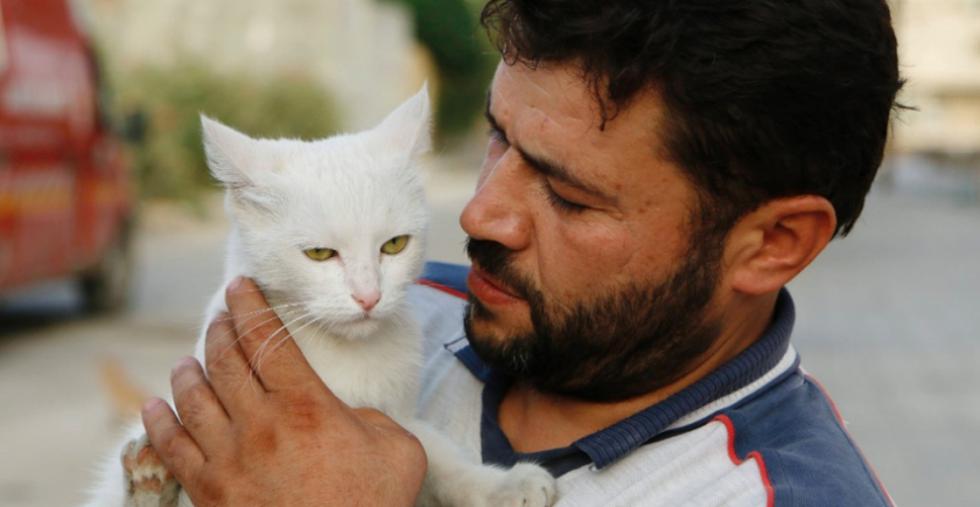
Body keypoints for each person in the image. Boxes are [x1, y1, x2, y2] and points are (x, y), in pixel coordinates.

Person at [141, 0, 901, 505]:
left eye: (569, 196)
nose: (479, 213)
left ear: (772, 243)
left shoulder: (775, 492)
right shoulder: (411, 309)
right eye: (498, 137)